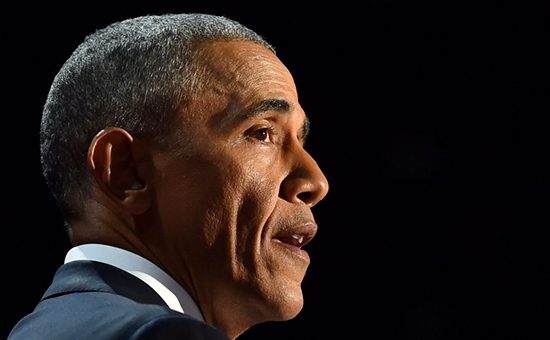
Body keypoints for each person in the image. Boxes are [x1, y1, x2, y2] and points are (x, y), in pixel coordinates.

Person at [9, 13, 329, 340]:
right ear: (126, 171)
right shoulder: (161, 333)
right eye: (261, 133)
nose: (316, 182)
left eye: (299, 140)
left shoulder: (43, 329)